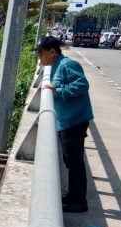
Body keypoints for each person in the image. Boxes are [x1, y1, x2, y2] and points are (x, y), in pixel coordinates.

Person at [34, 35, 94, 213]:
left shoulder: (67, 65)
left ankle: (79, 202)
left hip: (74, 120)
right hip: (66, 120)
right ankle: (72, 196)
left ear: (52, 52)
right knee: (70, 159)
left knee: (74, 161)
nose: (40, 58)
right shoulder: (56, 66)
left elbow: (82, 85)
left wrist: (59, 90)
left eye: (41, 54)